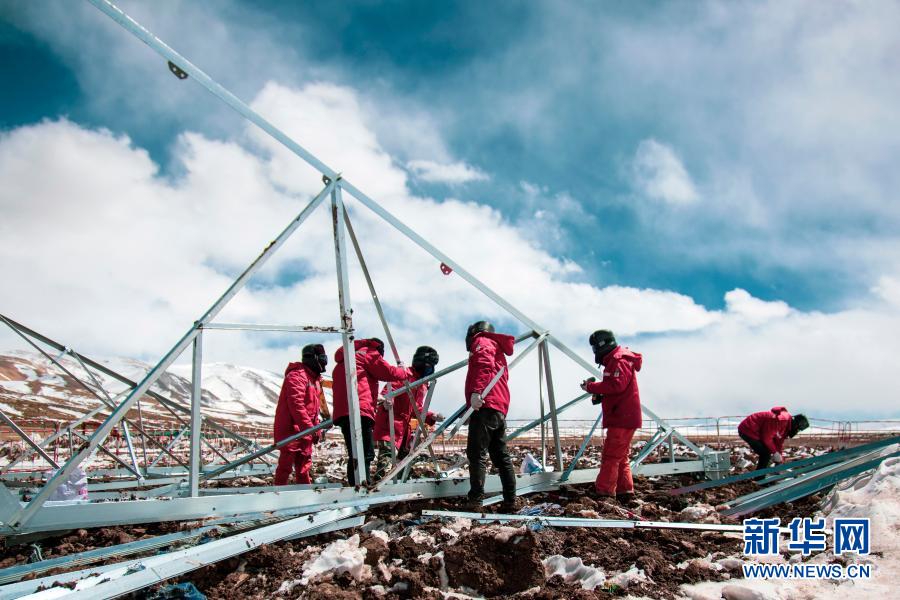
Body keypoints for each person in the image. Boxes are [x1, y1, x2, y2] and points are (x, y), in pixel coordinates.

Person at [332, 337, 412, 486]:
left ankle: (356, 484)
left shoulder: (347, 359)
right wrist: (404, 371)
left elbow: (358, 382)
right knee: (365, 452)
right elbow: (388, 372)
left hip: (343, 412)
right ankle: (362, 486)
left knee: (355, 452)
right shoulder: (368, 352)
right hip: (360, 410)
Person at [580, 330, 642, 503]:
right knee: (620, 456)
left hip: (621, 417)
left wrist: (591, 387)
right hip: (624, 415)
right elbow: (616, 386)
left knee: (611, 456)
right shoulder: (617, 360)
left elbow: (616, 385)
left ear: (601, 345)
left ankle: (604, 492)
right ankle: (625, 491)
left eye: (595, 347)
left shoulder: (618, 361)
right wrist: (601, 393)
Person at [464, 320, 518, 511]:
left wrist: (476, 392)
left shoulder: (483, 341)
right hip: (498, 407)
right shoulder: (498, 348)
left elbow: (483, 365)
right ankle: (510, 501)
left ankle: (475, 501)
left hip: (486, 405)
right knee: (501, 456)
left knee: (476, 454)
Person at [372, 346, 440, 480]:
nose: (430, 369)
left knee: (405, 461)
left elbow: (416, 408)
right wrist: (387, 401)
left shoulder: (422, 384)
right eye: (428, 366)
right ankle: (379, 484)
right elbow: (390, 390)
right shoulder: (404, 374)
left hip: (404, 428)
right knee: (387, 458)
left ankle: (402, 483)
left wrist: (430, 415)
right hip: (390, 423)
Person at [273, 344, 328, 485]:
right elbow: (296, 405)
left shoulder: (315, 380)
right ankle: (277, 494)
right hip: (291, 430)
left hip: (305, 431)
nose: (324, 362)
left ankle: (305, 494)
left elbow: (314, 410)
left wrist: (315, 429)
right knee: (285, 466)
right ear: (313, 358)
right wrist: (311, 429)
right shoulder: (297, 375)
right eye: (322, 358)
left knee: (304, 467)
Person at [738, 407, 809, 470]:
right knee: (765, 454)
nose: (797, 431)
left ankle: (763, 473)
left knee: (767, 452)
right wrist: (775, 453)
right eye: (798, 429)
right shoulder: (782, 419)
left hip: (755, 432)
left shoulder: (786, 428)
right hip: (748, 429)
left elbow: (778, 443)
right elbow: (767, 438)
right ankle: (759, 478)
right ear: (796, 425)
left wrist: (780, 457)